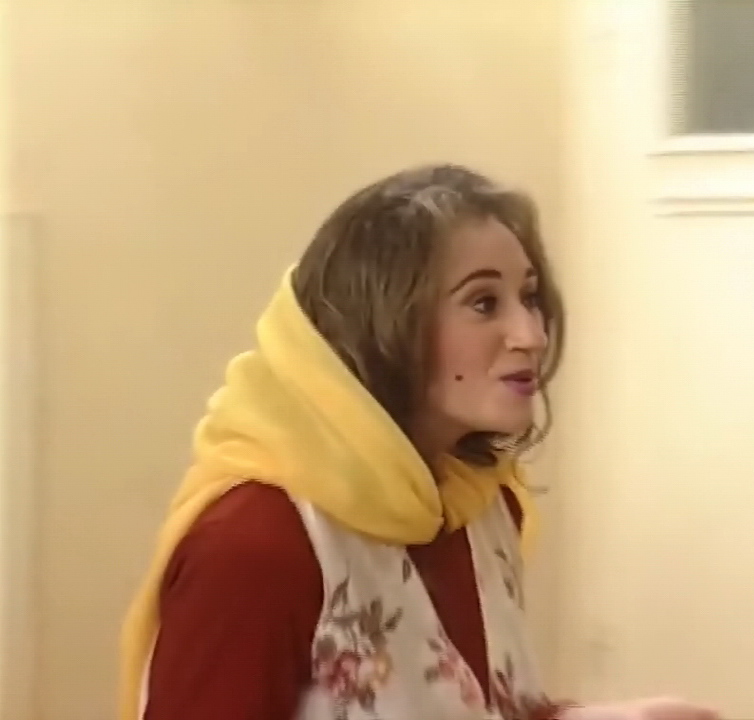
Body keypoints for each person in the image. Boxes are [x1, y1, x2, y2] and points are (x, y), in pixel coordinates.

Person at [119, 164, 720, 720]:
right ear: (386, 324)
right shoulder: (258, 544)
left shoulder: (479, 502)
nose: (531, 334)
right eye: (484, 303)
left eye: (530, 297)